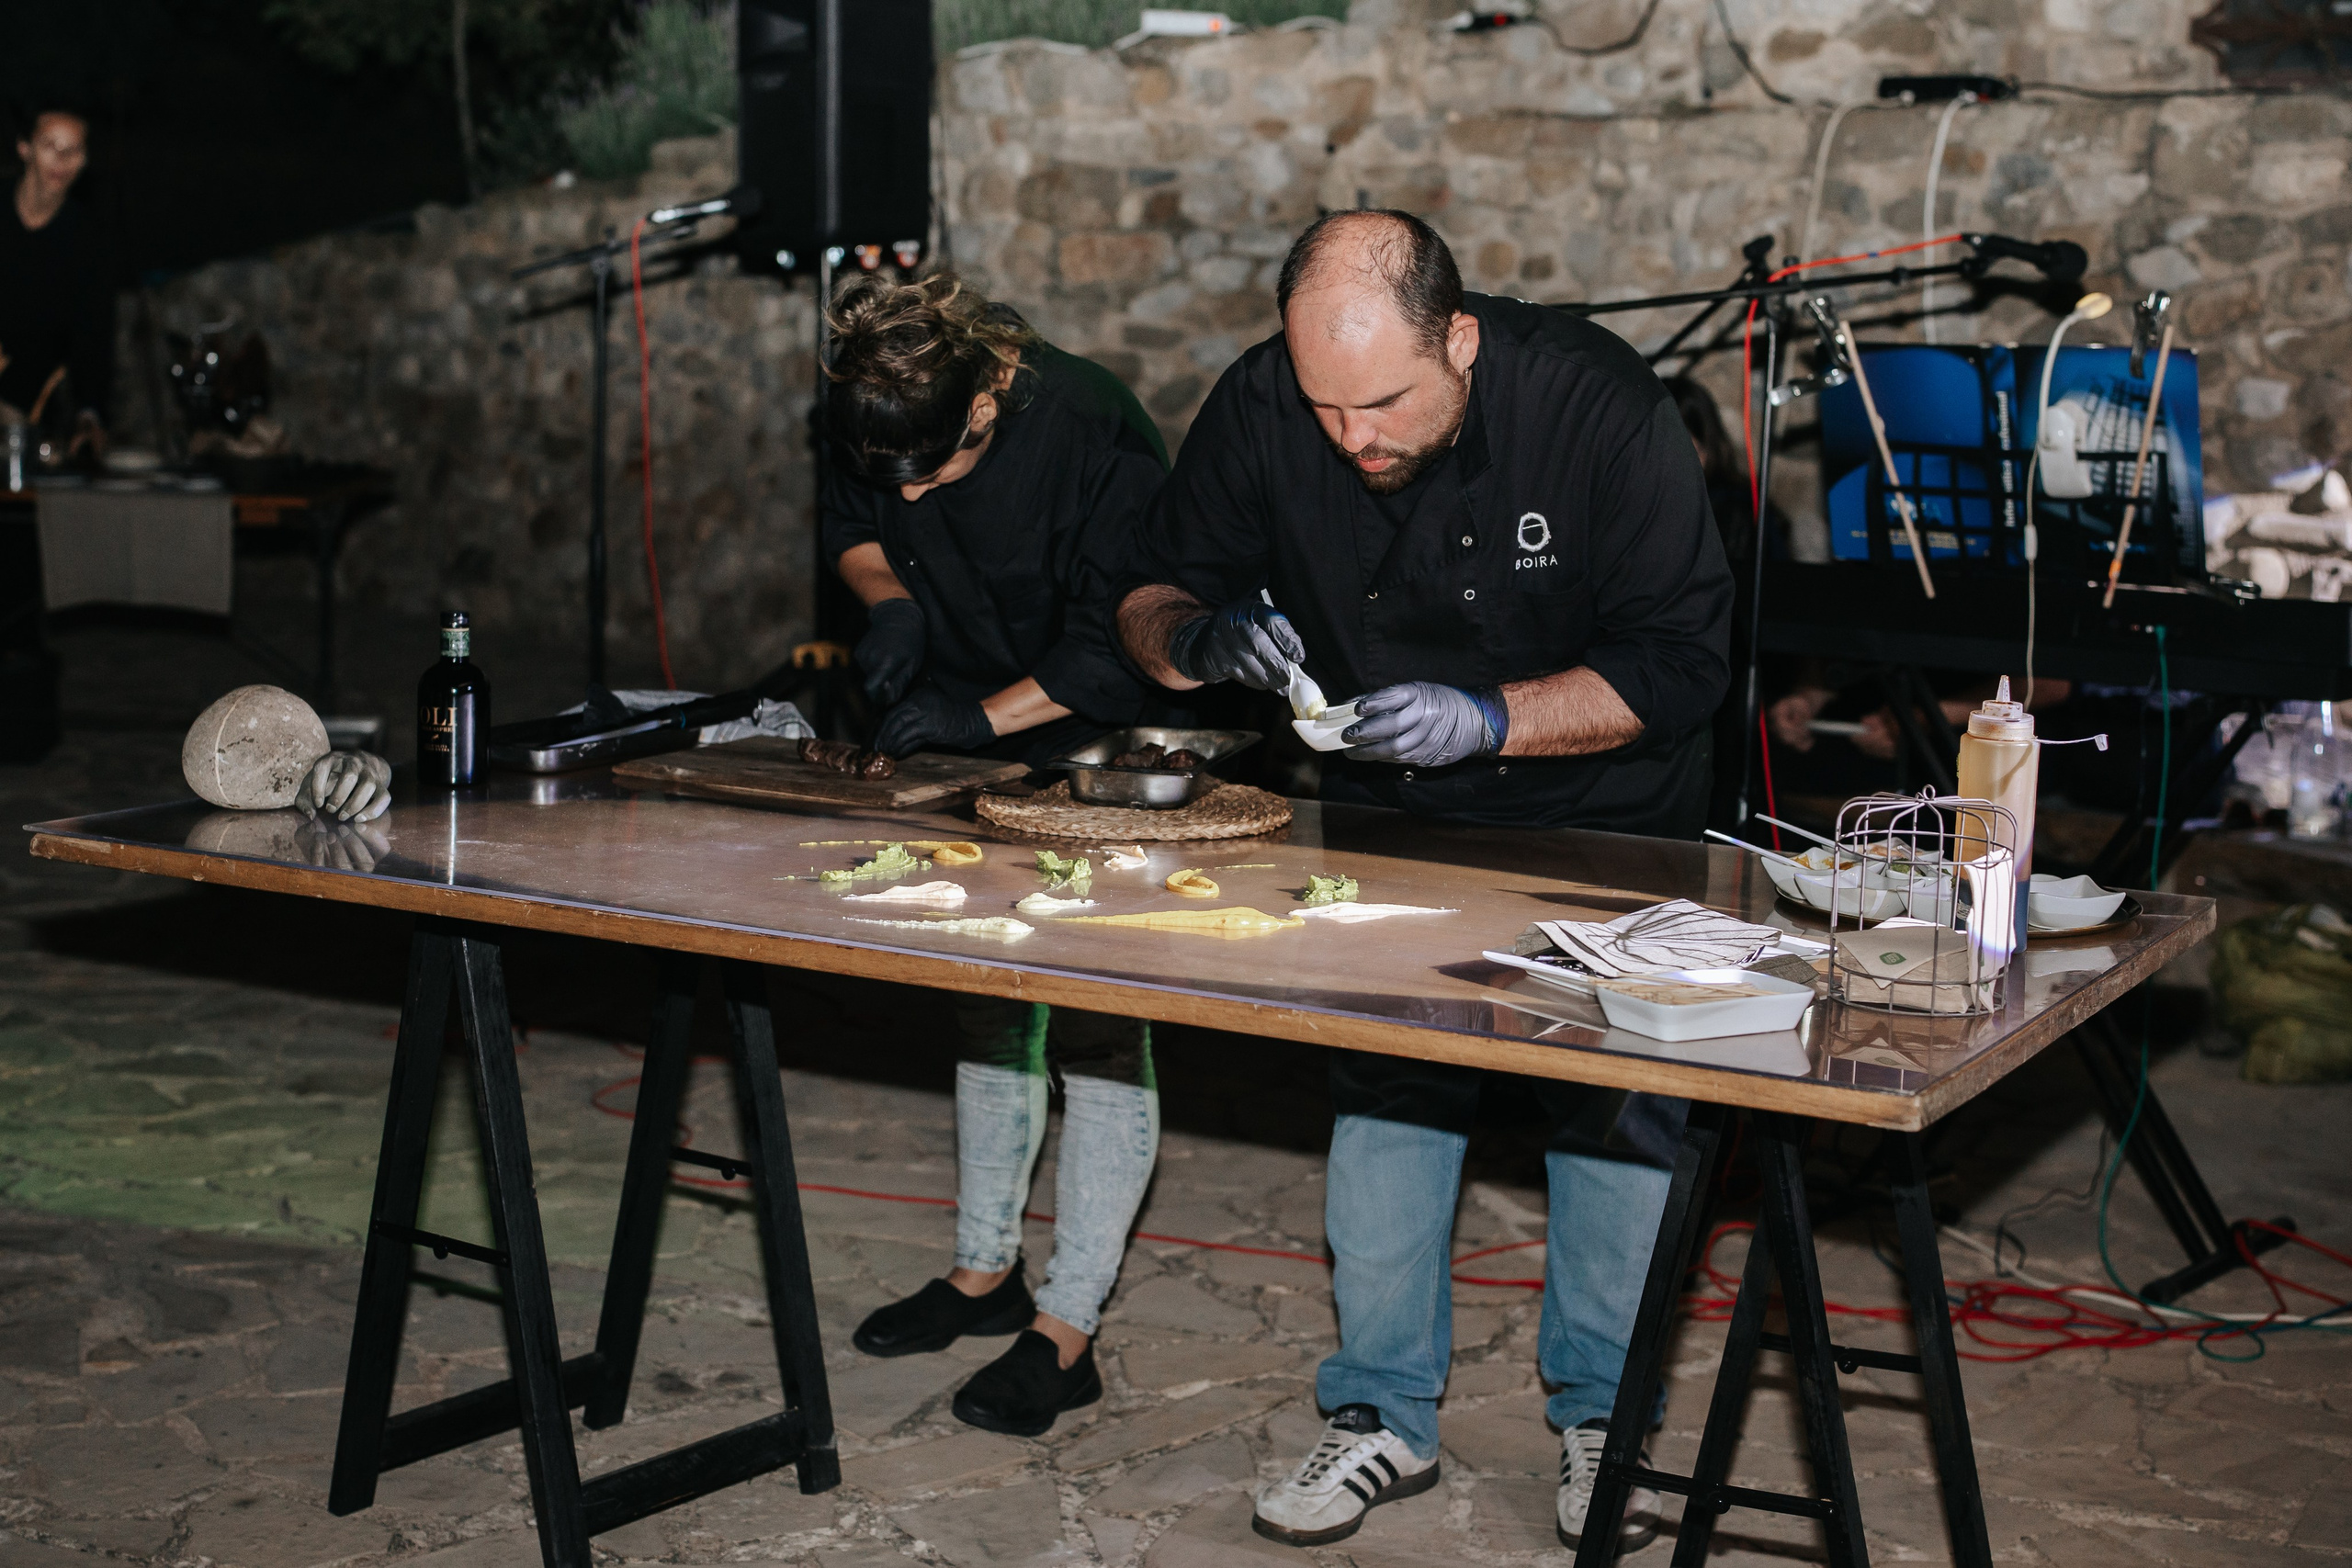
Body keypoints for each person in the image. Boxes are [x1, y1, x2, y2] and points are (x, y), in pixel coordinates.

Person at [1113, 211, 1732, 1552]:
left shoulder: (1600, 405)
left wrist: (1493, 717)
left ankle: (1603, 1421)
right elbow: (1145, 598)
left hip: (1607, 817)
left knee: (1614, 1110)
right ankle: (1383, 1410)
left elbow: (1685, 661)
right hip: (1392, 813)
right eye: (1326, 407)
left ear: (1458, 337)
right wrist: (1204, 638)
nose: (1355, 439)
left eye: (1385, 402)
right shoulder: (1272, 399)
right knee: (1388, 1094)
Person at [820, 272, 1167, 1438]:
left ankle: (1066, 1329)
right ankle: (984, 1272)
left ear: (984, 406)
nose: (910, 493)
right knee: (982, 990)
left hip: (1088, 731)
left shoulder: (1087, 429)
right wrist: (891, 609)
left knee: (1098, 1022)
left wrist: (979, 721)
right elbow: (858, 527)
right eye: (891, 470)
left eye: (933, 469)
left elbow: (1121, 647)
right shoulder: (876, 407)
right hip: (958, 713)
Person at [1, 99, 110, 459]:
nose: (61, 160)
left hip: (32, 405)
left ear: (84, 160)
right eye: (50, 146)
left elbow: (92, 335)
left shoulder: (87, 241)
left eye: (73, 149)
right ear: (25, 148)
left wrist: (88, 413)